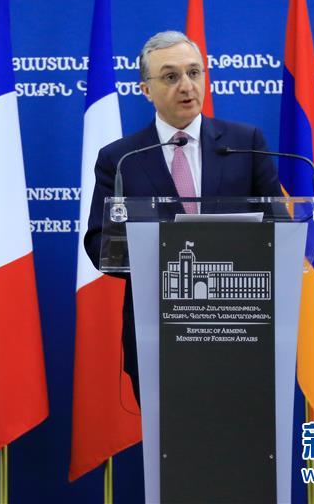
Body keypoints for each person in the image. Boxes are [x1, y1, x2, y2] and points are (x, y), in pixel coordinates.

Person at [83, 30, 281, 401]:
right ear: (146, 90)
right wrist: (165, 256)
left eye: (193, 72)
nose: (186, 86)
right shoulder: (121, 158)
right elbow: (99, 244)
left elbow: (279, 228)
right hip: (158, 332)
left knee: (239, 434)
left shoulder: (246, 143)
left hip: (241, 327)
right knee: (168, 437)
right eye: (171, 76)